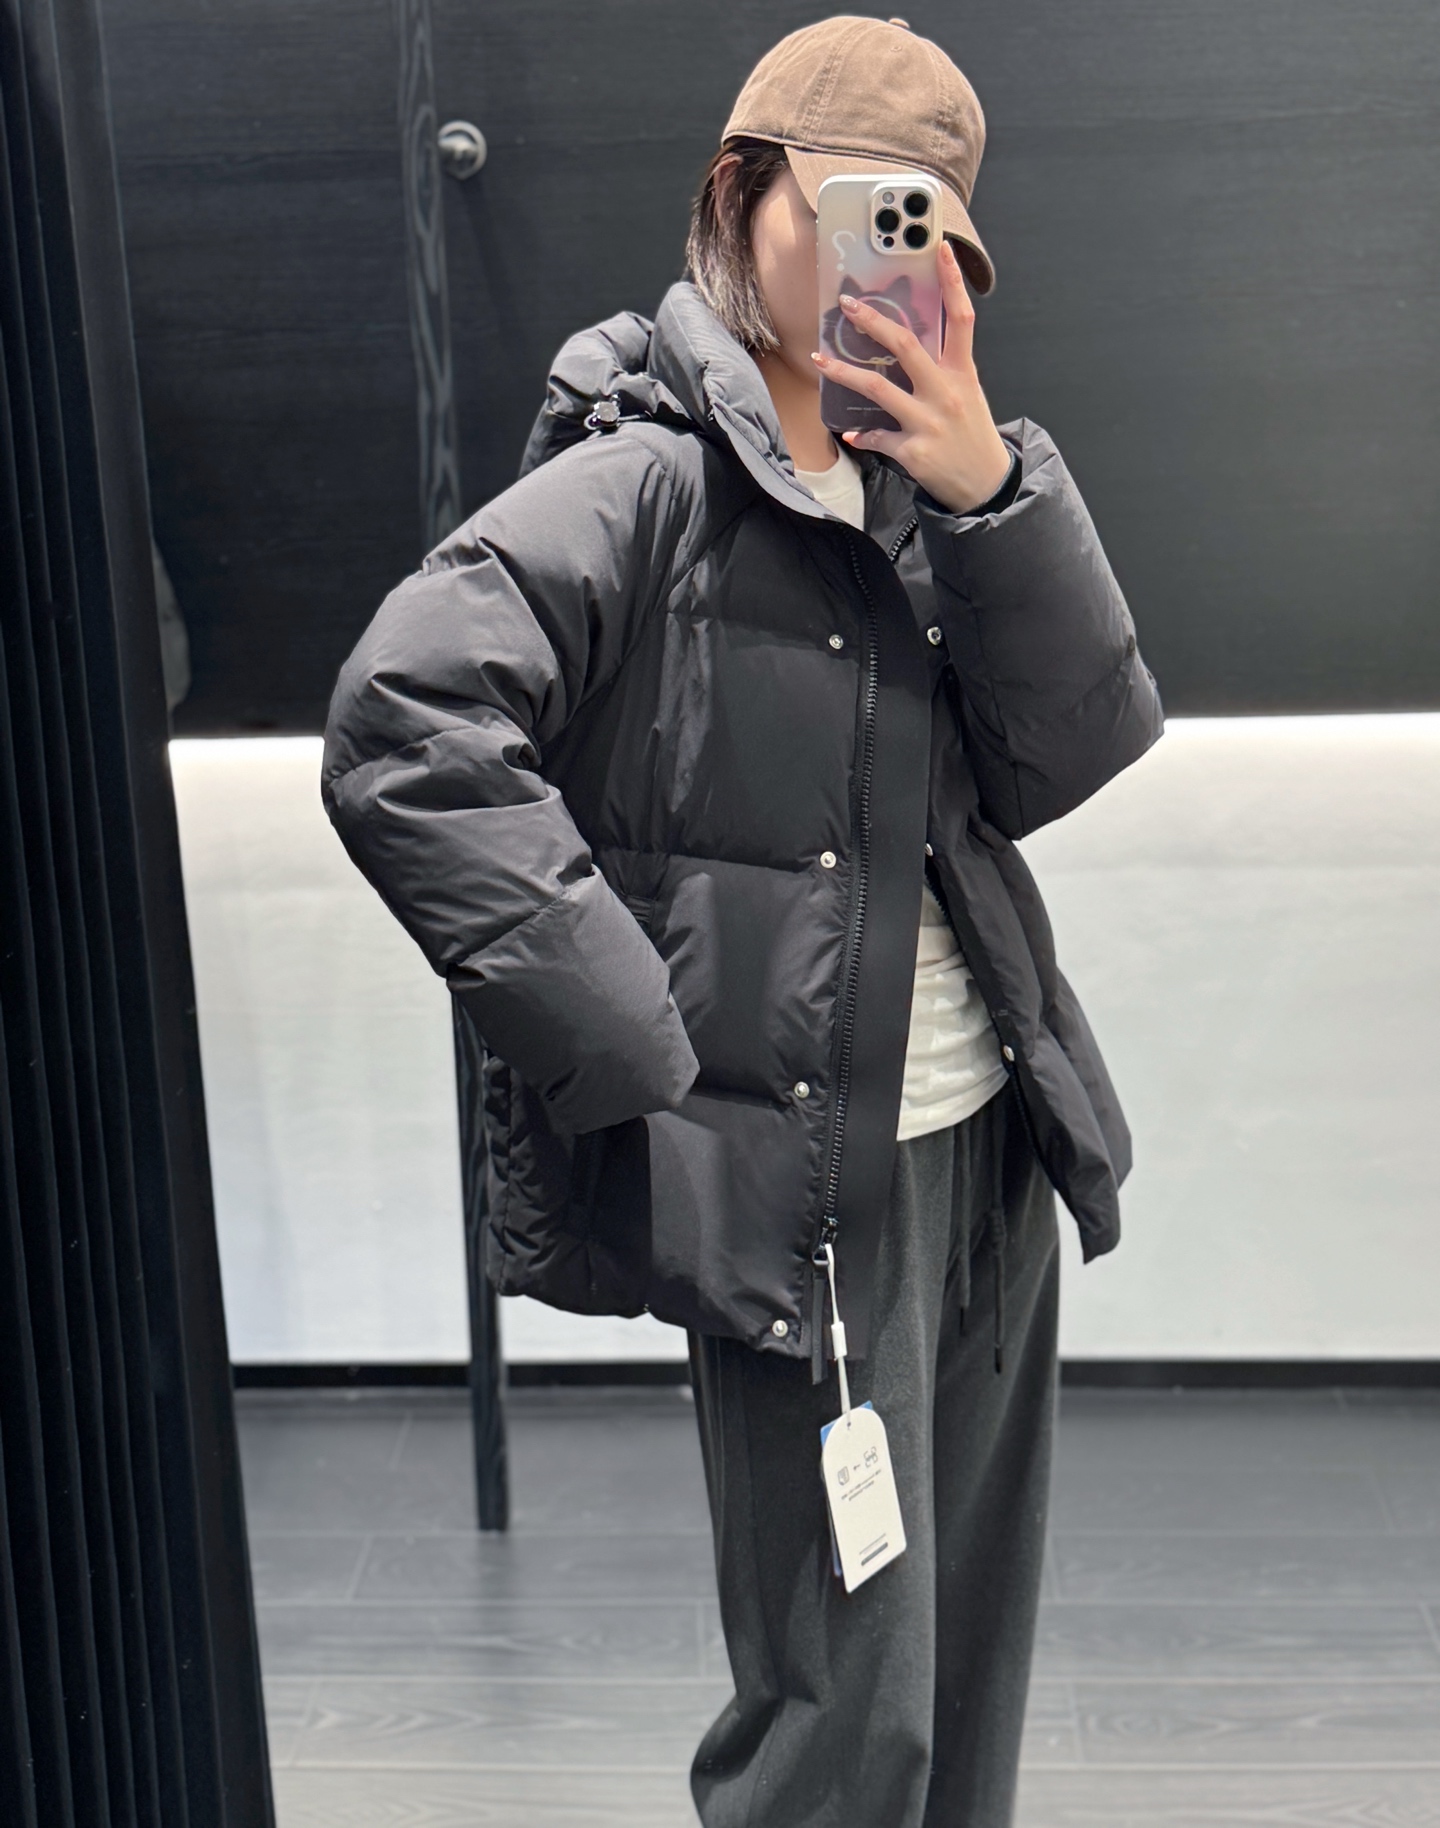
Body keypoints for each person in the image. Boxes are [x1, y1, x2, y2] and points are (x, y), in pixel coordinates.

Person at [323, 16, 1162, 1824]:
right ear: (740, 198)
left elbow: (1073, 748)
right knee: (844, 1723)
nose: (885, 260)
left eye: (925, 232)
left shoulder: (930, 490)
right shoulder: (646, 479)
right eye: (854, 209)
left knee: (967, 1687)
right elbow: (405, 723)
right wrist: (637, 1048)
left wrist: (994, 493)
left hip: (989, 1156)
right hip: (813, 1193)